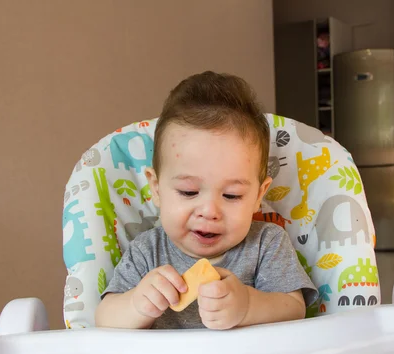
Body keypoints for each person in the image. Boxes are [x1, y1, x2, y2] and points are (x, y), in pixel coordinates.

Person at [95, 71, 318, 330]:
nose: (210, 211)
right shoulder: (146, 252)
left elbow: (294, 308)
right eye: (189, 192)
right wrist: (136, 304)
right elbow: (104, 319)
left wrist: (247, 306)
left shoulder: (266, 244)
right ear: (156, 188)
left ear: (259, 195)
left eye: (231, 195)